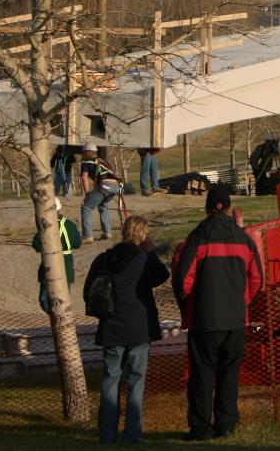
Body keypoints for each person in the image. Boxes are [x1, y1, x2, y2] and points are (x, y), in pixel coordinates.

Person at [171, 186, 262, 442]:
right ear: (229, 208)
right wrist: (241, 303)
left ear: (207, 209)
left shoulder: (197, 238)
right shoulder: (243, 240)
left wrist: (192, 306)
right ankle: (226, 424)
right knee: (229, 375)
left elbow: (183, 281)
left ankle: (200, 427)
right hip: (235, 320)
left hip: (205, 319)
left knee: (201, 375)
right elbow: (257, 280)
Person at [86, 215, 170, 444]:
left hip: (111, 327)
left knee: (110, 381)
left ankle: (106, 434)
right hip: (139, 328)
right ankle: (132, 434)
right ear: (142, 235)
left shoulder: (104, 259)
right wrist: (151, 252)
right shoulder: (143, 260)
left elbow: (89, 290)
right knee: (136, 382)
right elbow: (162, 275)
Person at [33, 196, 83, 313]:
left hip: (49, 266)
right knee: (63, 298)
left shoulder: (45, 225)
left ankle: (57, 318)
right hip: (67, 265)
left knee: (44, 299)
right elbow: (77, 243)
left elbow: (36, 245)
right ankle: (60, 318)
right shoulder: (70, 224)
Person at [80, 143, 122, 244]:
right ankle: (106, 232)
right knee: (102, 205)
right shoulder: (103, 161)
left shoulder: (86, 163)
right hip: (116, 186)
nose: (82, 155)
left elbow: (84, 178)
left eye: (83, 152)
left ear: (87, 153)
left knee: (86, 207)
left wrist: (87, 193)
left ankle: (87, 236)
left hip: (104, 185)